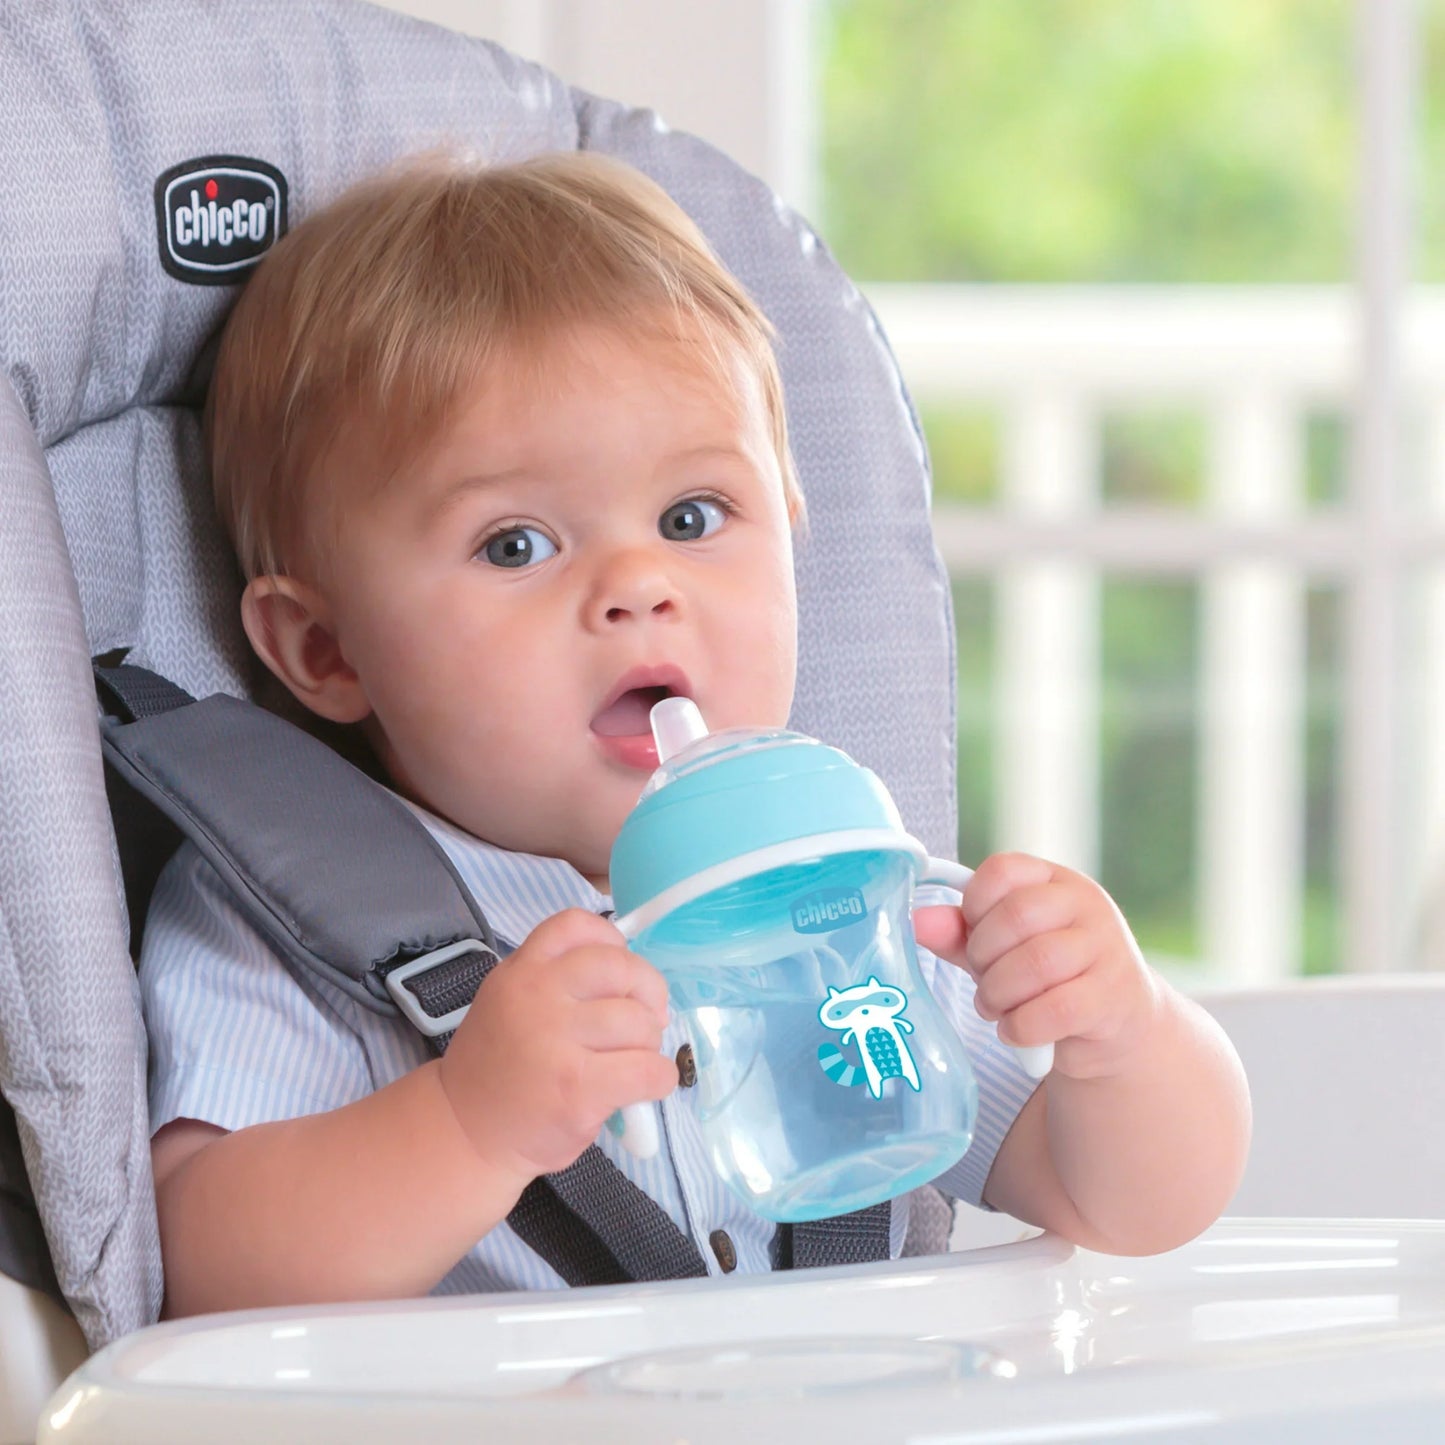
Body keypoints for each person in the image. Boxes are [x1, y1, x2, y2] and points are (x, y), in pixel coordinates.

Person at [141, 151, 1251, 1318]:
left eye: (690, 516)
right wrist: (468, 1122)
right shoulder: (287, 930)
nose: (638, 583)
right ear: (325, 648)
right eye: (514, 543)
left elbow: (1133, 1206)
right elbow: (208, 1272)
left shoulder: (846, 907)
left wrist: (1121, 1033)